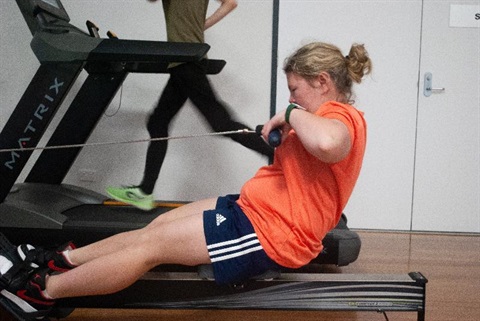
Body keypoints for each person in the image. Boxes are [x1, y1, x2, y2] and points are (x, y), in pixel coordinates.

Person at [0, 41, 372, 319]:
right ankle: (61, 260)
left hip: (274, 234)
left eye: (295, 88)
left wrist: (289, 113)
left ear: (322, 82)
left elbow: (328, 143)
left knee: (153, 247)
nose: (291, 97)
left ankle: (42, 293)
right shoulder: (318, 117)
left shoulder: (342, 118)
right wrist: (286, 124)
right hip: (252, 210)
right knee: (157, 225)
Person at [106, 0, 274, 211]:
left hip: (185, 62)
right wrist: (202, 24)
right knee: (158, 122)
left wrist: (199, 24)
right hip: (185, 60)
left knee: (220, 123)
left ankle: (278, 155)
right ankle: (145, 192)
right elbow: (230, 3)